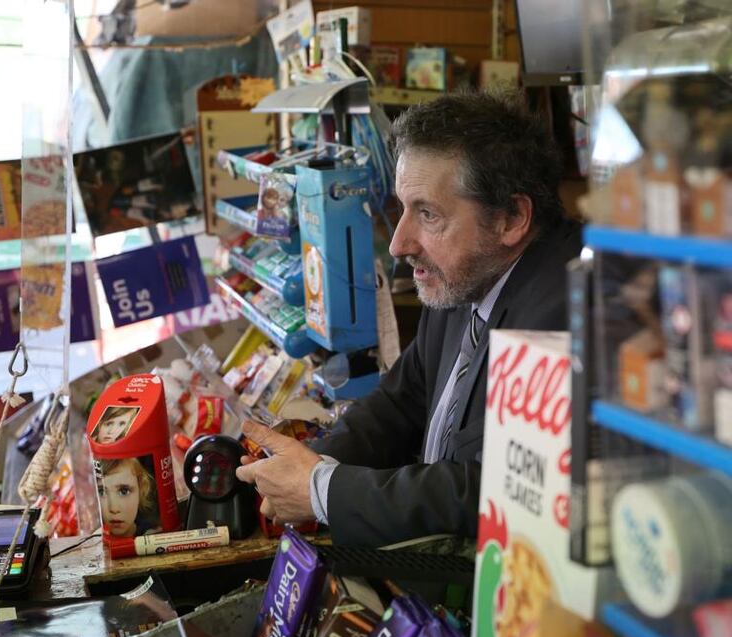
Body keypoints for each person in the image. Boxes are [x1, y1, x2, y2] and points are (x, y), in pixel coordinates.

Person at [236, 90, 582, 547]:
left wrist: (322, 491)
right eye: (403, 209)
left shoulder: (565, 308)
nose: (399, 243)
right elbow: (402, 400)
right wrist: (305, 466)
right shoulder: (469, 276)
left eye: (428, 214)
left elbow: (492, 490)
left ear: (512, 217)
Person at [97, 457, 159, 538]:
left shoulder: (155, 535)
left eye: (124, 491)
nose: (114, 508)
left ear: (140, 491)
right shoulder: (91, 540)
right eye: (102, 492)